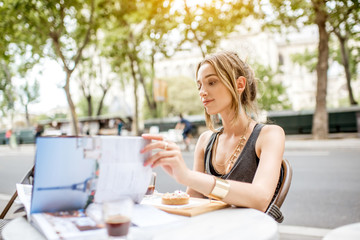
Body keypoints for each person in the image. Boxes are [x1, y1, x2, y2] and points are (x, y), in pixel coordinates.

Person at [141, 51, 285, 218]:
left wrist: (187, 176)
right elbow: (193, 202)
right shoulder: (204, 141)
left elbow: (260, 198)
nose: (202, 91)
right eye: (199, 85)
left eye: (211, 82)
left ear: (239, 85)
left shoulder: (270, 135)